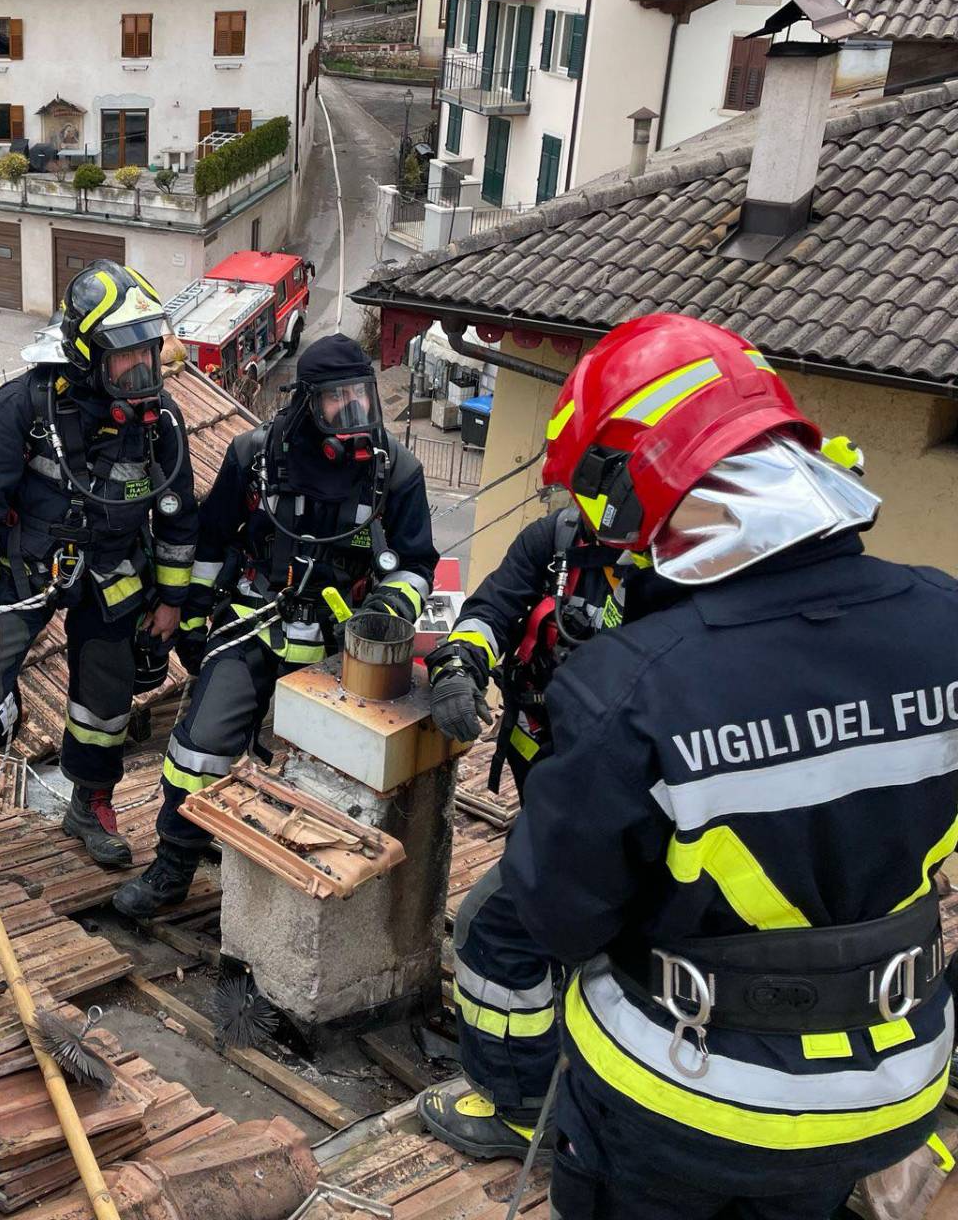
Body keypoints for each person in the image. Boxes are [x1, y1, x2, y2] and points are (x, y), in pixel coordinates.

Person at [492, 313, 957, 1217]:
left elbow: (558, 915)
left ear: (637, 485)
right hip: (893, 1086)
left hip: (683, 1100)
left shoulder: (631, 686)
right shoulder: (947, 620)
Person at [0, 261, 197, 889]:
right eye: (125, 357)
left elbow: (178, 516)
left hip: (114, 573)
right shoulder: (27, 404)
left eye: (148, 352)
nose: (142, 371)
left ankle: (89, 805)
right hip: (24, 572)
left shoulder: (159, 421)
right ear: (87, 355)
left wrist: (170, 601)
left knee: (106, 700)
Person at [114, 334, 437, 918]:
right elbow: (210, 542)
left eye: (361, 399)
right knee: (200, 746)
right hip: (254, 623)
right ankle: (174, 865)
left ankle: (297, 888)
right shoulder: (254, 457)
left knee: (329, 769)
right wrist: (192, 621)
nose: (353, 415)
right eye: (337, 401)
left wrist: (386, 612)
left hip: (341, 646)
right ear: (308, 402)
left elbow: (415, 565)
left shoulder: (396, 473)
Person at [419, 508, 666, 1158]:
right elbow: (492, 607)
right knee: (580, 948)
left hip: (621, 807)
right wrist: (457, 665)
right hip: (556, 786)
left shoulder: (683, 567)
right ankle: (575, 1056)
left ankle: (522, 1110)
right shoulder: (555, 541)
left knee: (489, 935)